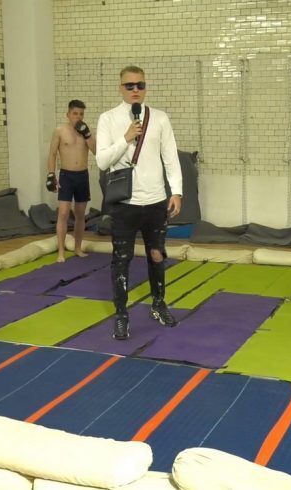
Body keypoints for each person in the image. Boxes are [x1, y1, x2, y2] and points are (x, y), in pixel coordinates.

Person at [96, 66, 183, 340]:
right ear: (120, 88)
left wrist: (176, 192)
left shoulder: (159, 118)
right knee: (121, 260)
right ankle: (122, 315)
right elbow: (102, 161)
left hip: (156, 201)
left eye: (140, 85)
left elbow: (170, 157)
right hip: (125, 203)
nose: (135, 90)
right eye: (130, 85)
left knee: (157, 255)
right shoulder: (108, 119)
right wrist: (126, 138)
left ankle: (159, 303)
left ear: (146, 87)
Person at [46, 99, 96, 262]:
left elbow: (96, 151)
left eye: (81, 114)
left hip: (82, 176)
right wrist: (51, 174)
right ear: (68, 115)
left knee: (80, 214)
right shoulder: (60, 131)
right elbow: (52, 153)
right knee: (63, 213)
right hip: (66, 176)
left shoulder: (86, 131)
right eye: (75, 113)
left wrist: (87, 135)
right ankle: (61, 251)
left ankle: (77, 248)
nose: (78, 117)